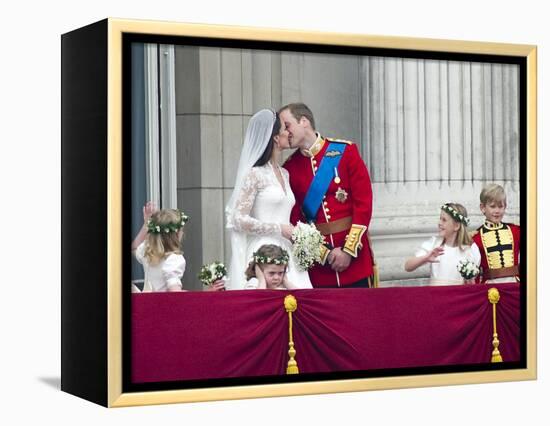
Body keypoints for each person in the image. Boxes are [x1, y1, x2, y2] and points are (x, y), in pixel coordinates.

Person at [280, 102, 375, 288]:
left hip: (355, 258)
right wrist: (325, 254)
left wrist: (348, 250)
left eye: (287, 125)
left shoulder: (345, 151)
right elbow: (295, 219)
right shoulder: (290, 168)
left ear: (304, 121)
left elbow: (363, 204)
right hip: (321, 267)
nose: (284, 132)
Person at [225, 109, 313, 290]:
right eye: (285, 128)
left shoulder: (285, 173)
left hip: (288, 251)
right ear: (275, 137)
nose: (289, 132)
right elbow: (238, 218)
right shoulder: (254, 174)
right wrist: (279, 228)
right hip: (263, 250)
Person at [132, 202, 225, 292]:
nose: (183, 233)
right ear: (176, 234)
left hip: (145, 304)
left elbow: (134, 247)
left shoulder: (148, 251)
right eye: (181, 230)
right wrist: (204, 294)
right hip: (162, 306)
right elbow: (175, 294)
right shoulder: (174, 259)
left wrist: (146, 225)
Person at [404, 203, 481, 286]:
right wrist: (425, 258)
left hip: (458, 296)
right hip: (436, 295)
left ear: (456, 226)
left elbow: (472, 283)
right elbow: (408, 267)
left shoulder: (470, 249)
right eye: (440, 219)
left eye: (444, 220)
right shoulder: (434, 244)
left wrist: (469, 280)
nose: (439, 223)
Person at [471, 184, 520, 283]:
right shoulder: (476, 237)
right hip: (490, 288)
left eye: (500, 206)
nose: (497, 211)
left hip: (514, 286)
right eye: (492, 206)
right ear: (483, 207)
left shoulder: (516, 231)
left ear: (505, 207)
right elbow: (474, 272)